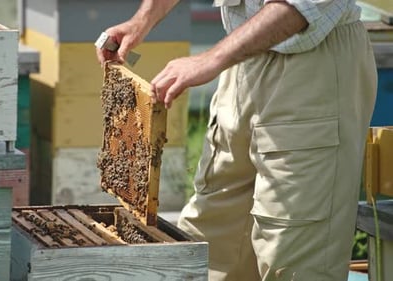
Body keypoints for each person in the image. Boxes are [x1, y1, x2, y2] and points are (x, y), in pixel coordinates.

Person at [96, 1, 377, 280]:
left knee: (292, 256)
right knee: (213, 241)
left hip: (311, 67)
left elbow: (299, 7)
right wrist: (141, 21)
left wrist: (210, 59)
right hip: (241, 59)